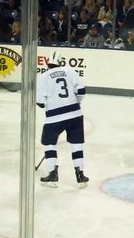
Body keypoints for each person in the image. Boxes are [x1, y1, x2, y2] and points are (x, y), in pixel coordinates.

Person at [36, 51, 89, 188]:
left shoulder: (43, 76)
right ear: (61, 62)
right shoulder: (70, 71)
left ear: (48, 63)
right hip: (75, 115)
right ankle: (80, 175)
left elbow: (40, 102)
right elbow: (82, 92)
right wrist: (75, 102)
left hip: (54, 118)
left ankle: (52, 173)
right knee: (77, 144)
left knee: (49, 143)